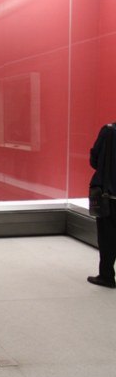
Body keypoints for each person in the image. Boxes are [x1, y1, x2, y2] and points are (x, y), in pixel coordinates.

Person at [87, 123, 116, 289]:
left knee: (107, 237)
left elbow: (94, 160)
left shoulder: (109, 131)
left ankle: (107, 276)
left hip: (109, 195)